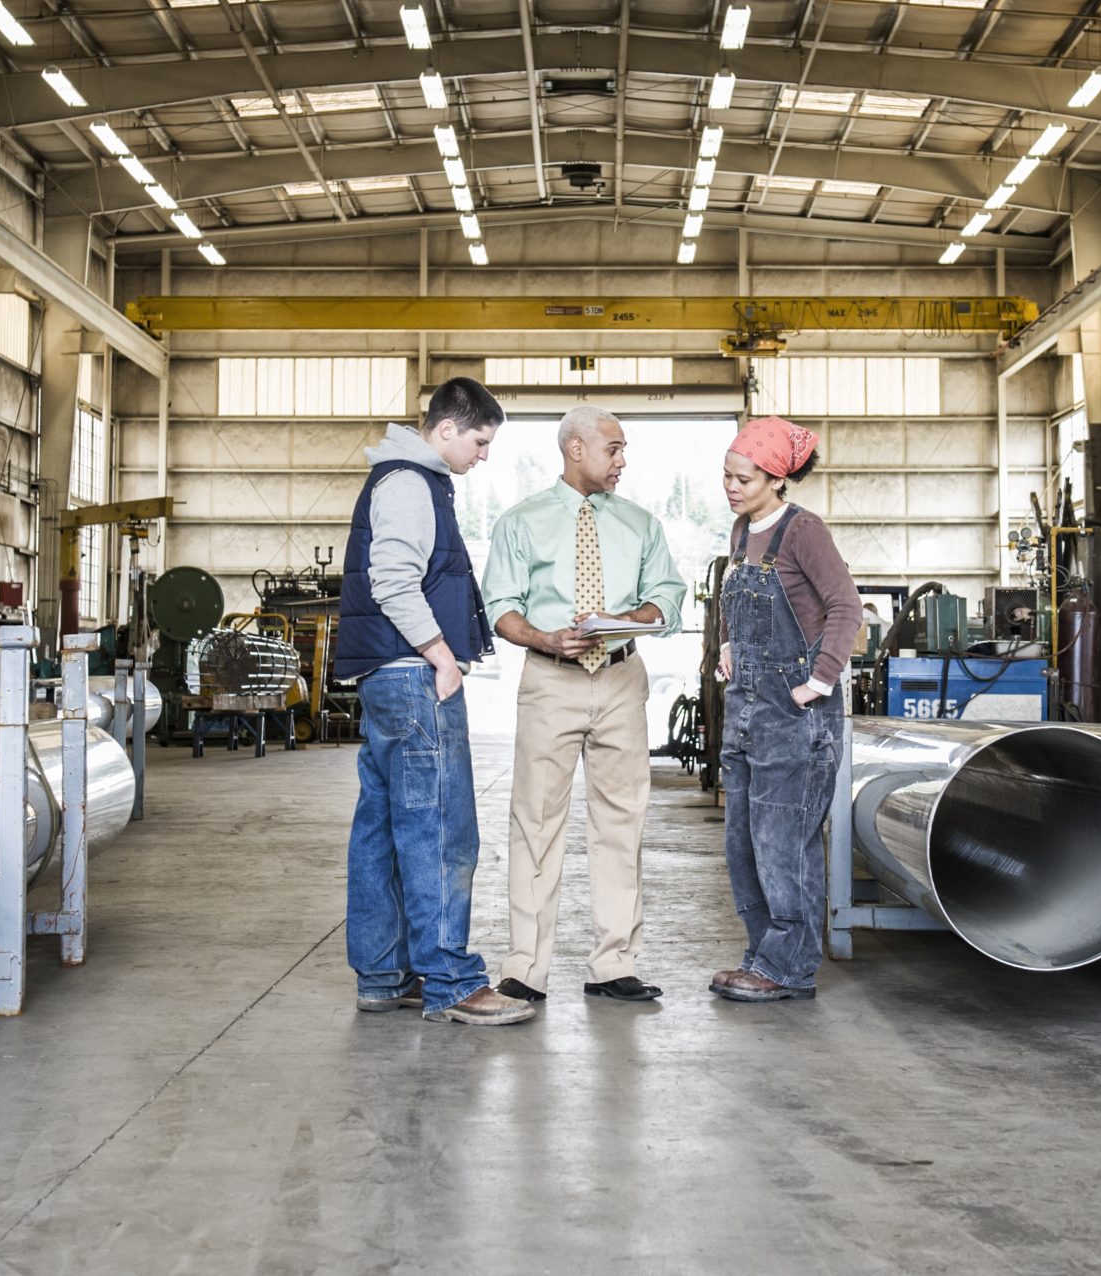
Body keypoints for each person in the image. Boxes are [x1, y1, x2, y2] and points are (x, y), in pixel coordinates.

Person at [334, 377, 536, 1027]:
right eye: (479, 441)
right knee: (441, 830)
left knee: (384, 828)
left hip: (387, 674)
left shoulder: (407, 481)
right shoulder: (410, 484)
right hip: (412, 675)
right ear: (446, 429)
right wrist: (440, 654)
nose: (483, 455)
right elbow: (392, 578)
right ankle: (450, 979)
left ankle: (384, 974)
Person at [481, 405, 687, 1005]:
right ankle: (526, 966)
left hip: (622, 679)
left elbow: (667, 600)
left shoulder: (641, 524)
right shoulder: (522, 523)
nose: (622, 461)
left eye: (623, 451)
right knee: (536, 822)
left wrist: (627, 620)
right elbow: (501, 605)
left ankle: (613, 963)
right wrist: (545, 637)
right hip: (551, 681)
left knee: (622, 821)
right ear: (576, 449)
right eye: (613, 449)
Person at [710, 415, 862, 1002]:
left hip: (794, 715)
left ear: (777, 478)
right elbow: (737, 600)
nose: (731, 487)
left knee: (784, 843)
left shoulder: (804, 532)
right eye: (726, 475)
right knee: (744, 842)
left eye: (743, 479)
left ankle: (789, 968)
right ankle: (761, 953)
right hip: (747, 707)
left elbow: (846, 608)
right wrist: (728, 645)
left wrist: (818, 682)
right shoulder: (740, 530)